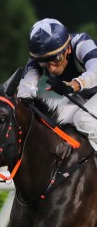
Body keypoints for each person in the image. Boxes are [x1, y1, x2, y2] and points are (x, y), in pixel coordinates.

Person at [18, 18, 97, 150]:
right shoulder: (36, 59)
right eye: (44, 62)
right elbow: (25, 89)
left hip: (88, 90)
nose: (52, 68)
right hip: (87, 94)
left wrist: (73, 85)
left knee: (83, 120)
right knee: (55, 122)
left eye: (57, 59)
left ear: (68, 49)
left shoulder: (82, 43)